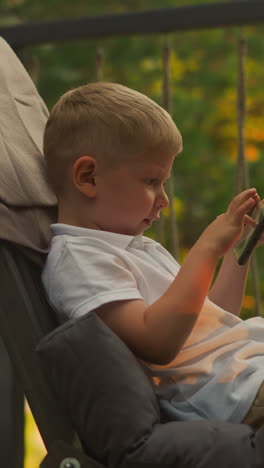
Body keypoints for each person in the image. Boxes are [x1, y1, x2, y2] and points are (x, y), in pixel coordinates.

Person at [42, 81, 264, 430]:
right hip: (231, 395)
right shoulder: (79, 260)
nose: (164, 199)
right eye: (151, 181)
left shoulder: (135, 247)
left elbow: (214, 320)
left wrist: (239, 251)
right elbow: (158, 342)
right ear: (88, 177)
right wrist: (205, 249)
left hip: (247, 371)